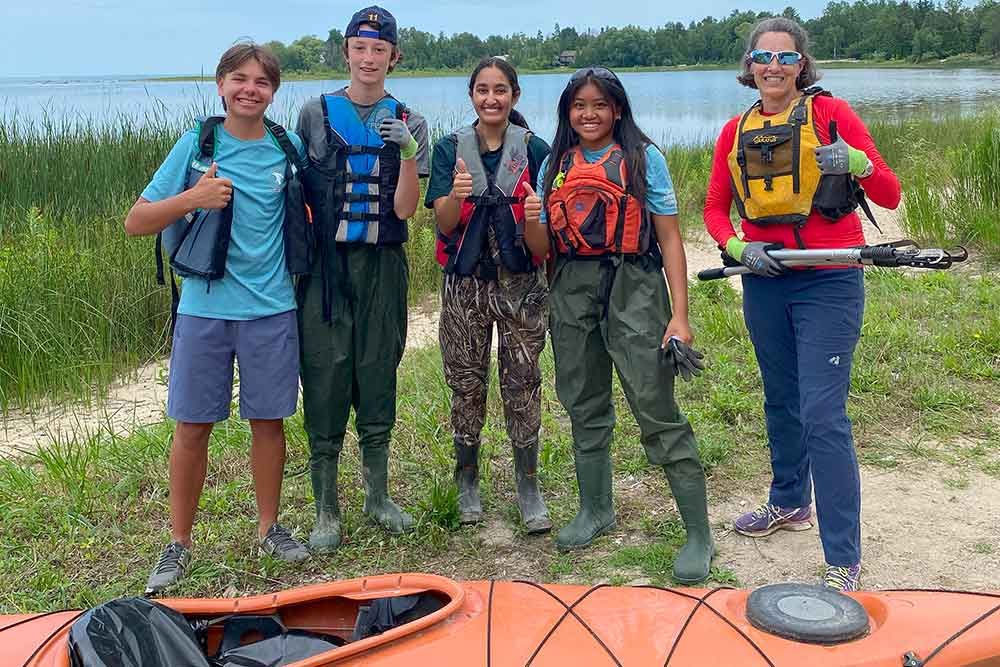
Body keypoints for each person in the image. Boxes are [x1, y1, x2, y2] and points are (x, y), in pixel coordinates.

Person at [702, 17, 901, 592]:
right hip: (765, 279)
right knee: (781, 399)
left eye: (785, 58)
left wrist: (858, 164)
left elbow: (890, 192)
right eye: (763, 57)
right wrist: (738, 245)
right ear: (749, 66)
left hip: (829, 280)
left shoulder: (833, 116)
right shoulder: (732, 132)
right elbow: (715, 209)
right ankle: (790, 501)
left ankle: (843, 557)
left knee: (822, 414)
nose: (773, 67)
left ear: (801, 66)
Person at [125, 42, 311, 595]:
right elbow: (137, 221)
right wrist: (194, 197)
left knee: (269, 421)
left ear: (274, 92)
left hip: (272, 308)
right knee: (192, 425)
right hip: (204, 309)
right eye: (240, 78)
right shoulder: (196, 145)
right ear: (220, 85)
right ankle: (178, 543)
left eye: (262, 81)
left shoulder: (288, 146)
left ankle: (269, 527)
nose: (250, 89)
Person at [538, 67, 713, 583]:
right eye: (578, 105)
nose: (588, 114)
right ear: (567, 112)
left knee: (655, 405)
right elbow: (545, 246)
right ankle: (596, 510)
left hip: (634, 285)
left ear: (617, 109)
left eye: (599, 104)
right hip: (572, 288)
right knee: (583, 402)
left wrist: (679, 316)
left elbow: (672, 240)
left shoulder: (643, 158)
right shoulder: (555, 163)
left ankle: (698, 534)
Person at [296, 6, 430, 552]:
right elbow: (297, 194)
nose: (369, 58)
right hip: (327, 270)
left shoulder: (410, 120)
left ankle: (377, 495)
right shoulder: (314, 112)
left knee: (378, 370)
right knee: (325, 374)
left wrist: (406, 153)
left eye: (380, 50)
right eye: (360, 47)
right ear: (346, 51)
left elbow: (404, 211)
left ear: (394, 57)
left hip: (383, 266)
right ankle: (326, 507)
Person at [425, 57, 552, 532]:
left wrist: (536, 217)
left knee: (523, 381)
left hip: (522, 287)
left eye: (501, 90)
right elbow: (443, 223)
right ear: (472, 95)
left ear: (515, 96)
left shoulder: (537, 150)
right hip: (466, 286)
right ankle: (467, 480)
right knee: (466, 383)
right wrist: (456, 193)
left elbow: (541, 248)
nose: (491, 98)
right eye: (482, 89)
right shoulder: (448, 149)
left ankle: (528, 484)